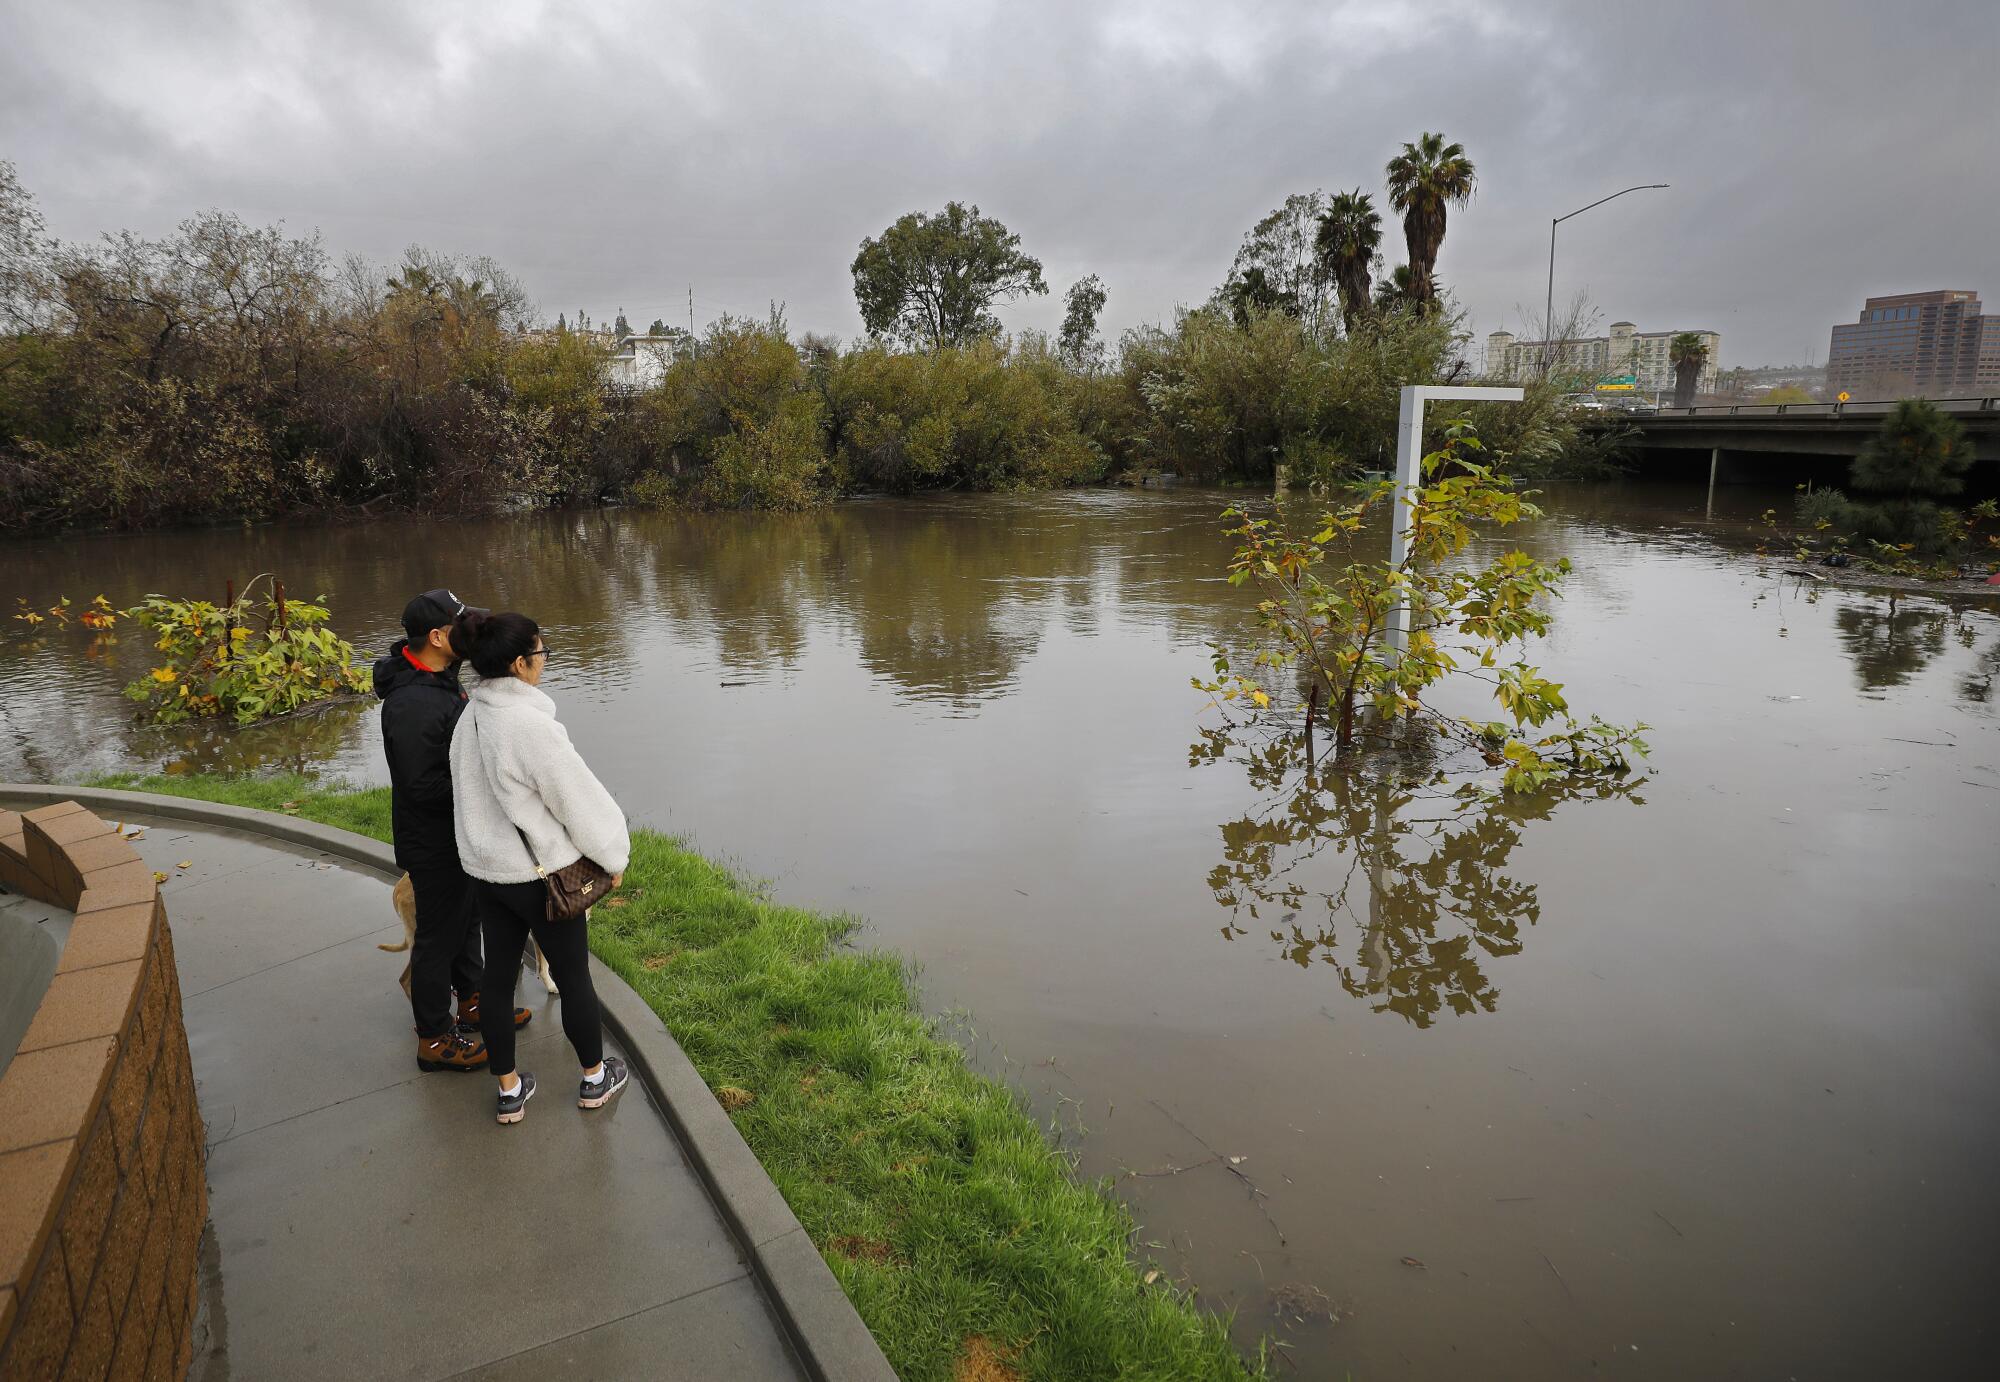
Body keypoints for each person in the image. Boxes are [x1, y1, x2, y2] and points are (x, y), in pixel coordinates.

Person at [447, 610, 632, 1125]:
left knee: (499, 977)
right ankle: (596, 1079)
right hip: (537, 877)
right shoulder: (528, 725)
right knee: (573, 976)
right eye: (542, 652)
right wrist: (614, 859)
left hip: (488, 872)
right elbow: (578, 802)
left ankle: (510, 1091)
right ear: (520, 664)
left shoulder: (471, 716)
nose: (545, 661)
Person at [374, 588, 530, 1074]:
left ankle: (473, 1003)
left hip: (456, 834)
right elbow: (422, 785)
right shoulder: (414, 702)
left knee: (467, 924)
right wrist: (481, 783)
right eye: (461, 624)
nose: (471, 630)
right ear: (438, 637)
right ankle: (435, 1038)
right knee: (437, 938)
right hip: (433, 840)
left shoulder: (441, 680)